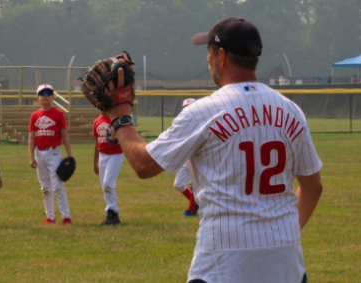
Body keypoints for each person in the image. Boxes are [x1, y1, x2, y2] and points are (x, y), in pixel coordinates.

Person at [104, 17, 323, 283]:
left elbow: (143, 164)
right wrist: (285, 232)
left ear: (221, 57)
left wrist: (120, 117)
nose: (207, 60)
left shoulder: (204, 111)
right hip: (286, 261)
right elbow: (313, 187)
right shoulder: (291, 111)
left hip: (225, 261)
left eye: (208, 52)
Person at [28, 84, 73, 225]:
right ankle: (50, 217)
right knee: (45, 188)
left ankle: (66, 217)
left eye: (49, 93)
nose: (45, 96)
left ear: (53, 97)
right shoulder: (35, 115)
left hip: (53, 152)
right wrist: (31, 156)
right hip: (39, 153)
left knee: (58, 185)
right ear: (38, 97)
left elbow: (65, 135)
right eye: (42, 93)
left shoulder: (58, 114)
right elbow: (31, 137)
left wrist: (69, 155)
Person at [93, 111, 124, 225]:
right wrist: (95, 162)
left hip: (116, 154)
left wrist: (119, 139)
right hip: (102, 155)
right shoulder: (97, 121)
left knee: (108, 184)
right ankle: (110, 214)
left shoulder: (117, 119)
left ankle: (113, 211)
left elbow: (126, 137)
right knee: (104, 186)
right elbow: (97, 143)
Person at [174, 98, 198, 217]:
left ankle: (190, 211)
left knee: (194, 185)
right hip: (185, 157)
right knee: (178, 184)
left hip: (196, 157)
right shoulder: (181, 123)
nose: (186, 111)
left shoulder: (201, 123)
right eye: (184, 109)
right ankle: (196, 203)